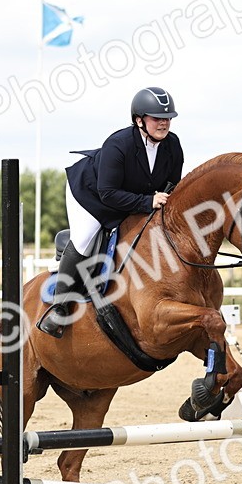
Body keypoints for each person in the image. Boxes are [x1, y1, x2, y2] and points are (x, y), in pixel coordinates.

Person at [37, 86, 184, 338]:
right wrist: (148, 202)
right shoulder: (119, 144)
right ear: (139, 120)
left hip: (135, 197)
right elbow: (108, 193)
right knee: (86, 236)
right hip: (91, 195)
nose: (164, 123)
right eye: (157, 117)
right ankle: (58, 307)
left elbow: (172, 186)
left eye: (167, 118)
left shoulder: (172, 145)